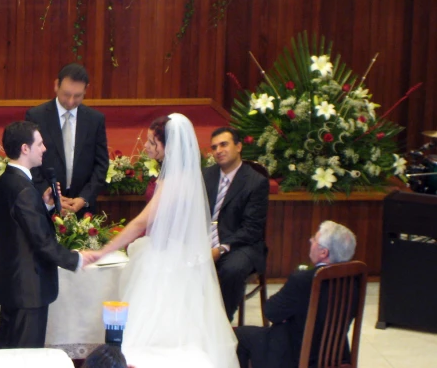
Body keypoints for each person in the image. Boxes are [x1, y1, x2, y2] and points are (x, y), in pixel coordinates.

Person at [85, 114, 239, 368]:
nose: (146, 146)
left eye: (151, 142)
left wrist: (103, 250)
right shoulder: (184, 177)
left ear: (168, 147)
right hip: (175, 256)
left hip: (164, 262)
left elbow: (140, 224)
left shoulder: (173, 182)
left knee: (149, 334)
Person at [0, 121, 86, 349]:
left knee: (7, 353)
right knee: (23, 358)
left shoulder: (7, 180)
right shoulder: (24, 188)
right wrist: (76, 259)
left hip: (13, 284)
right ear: (25, 148)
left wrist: (43, 205)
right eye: (40, 143)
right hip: (28, 289)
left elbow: (18, 223)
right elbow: (41, 241)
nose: (44, 149)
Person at [234, 221, 358, 368]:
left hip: (296, 356)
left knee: (238, 335)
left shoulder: (303, 279)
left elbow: (270, 312)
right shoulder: (355, 279)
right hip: (337, 356)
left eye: (314, 239)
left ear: (323, 252)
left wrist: (290, 316)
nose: (310, 240)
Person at [204, 127, 269, 321]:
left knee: (232, 269)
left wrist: (220, 249)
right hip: (205, 238)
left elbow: (251, 229)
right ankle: (191, 321)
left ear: (238, 146)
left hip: (241, 244)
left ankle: (221, 323)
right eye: (214, 147)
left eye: (224, 144)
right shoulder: (206, 175)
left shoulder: (256, 182)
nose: (218, 150)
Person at [25, 63, 108, 214]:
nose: (70, 101)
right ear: (56, 85)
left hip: (82, 207)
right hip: (46, 205)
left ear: (86, 90)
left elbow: (101, 164)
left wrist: (84, 198)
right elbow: (28, 161)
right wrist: (46, 192)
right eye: (66, 94)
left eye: (77, 96)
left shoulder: (95, 120)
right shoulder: (36, 116)